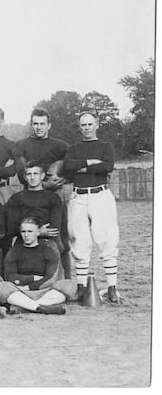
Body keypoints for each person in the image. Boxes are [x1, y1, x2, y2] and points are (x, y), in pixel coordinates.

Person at [64, 111, 120, 302]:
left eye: (90, 124)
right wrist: (90, 162)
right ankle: (81, 287)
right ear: (79, 127)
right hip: (78, 196)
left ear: (97, 124)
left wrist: (83, 168)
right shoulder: (74, 148)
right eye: (83, 125)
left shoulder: (106, 146)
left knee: (106, 239)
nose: (86, 128)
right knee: (79, 240)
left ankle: (112, 287)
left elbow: (107, 166)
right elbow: (67, 166)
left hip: (100, 194)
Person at [12, 107, 73, 278]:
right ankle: (32, 275)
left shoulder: (60, 146)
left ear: (49, 125)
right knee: (28, 234)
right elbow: (22, 174)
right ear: (31, 124)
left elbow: (72, 164)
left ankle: (67, 279)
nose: (39, 127)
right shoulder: (22, 145)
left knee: (60, 239)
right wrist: (44, 184)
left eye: (42, 124)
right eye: (35, 124)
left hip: (55, 196)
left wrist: (65, 178)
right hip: (30, 195)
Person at [0, 217, 76, 314]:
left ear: (38, 232)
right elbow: (10, 277)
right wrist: (33, 278)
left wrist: (29, 287)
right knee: (1, 287)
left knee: (68, 285)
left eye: (30, 231)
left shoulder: (49, 250)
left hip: (44, 290)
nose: (26, 235)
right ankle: (40, 308)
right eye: (23, 232)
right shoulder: (14, 251)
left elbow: (50, 279)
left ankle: (26, 307)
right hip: (20, 291)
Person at [5, 162, 64, 270]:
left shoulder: (53, 197)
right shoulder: (17, 198)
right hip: (23, 239)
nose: (32, 177)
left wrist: (37, 233)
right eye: (29, 174)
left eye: (35, 174)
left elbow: (54, 227)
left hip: (46, 241)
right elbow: (11, 228)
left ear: (42, 176)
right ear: (25, 177)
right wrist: (38, 232)